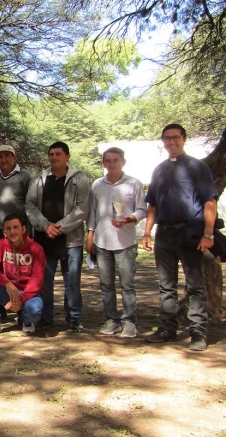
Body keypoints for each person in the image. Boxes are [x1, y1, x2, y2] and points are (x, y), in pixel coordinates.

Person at [142, 124, 218, 352]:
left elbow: (209, 202)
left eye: (175, 138)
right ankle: (167, 329)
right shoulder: (159, 169)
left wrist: (208, 233)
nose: (171, 142)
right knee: (166, 286)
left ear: (184, 139)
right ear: (163, 141)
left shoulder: (198, 166)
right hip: (164, 234)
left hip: (190, 233)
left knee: (195, 285)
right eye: (166, 138)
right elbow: (152, 204)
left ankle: (198, 332)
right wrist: (147, 232)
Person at [25, 141, 90, 331]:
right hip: (44, 240)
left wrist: (59, 228)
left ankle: (74, 319)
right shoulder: (39, 179)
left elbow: (82, 208)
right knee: (44, 281)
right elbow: (30, 206)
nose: (54, 157)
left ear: (68, 156)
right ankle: (46, 318)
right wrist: (46, 226)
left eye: (58, 154)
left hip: (71, 240)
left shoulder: (79, 179)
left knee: (72, 283)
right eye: (51, 154)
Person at [86, 147, 146, 338]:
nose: (111, 164)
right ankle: (111, 319)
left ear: (123, 162)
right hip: (102, 241)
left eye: (115, 160)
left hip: (125, 242)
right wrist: (90, 236)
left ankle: (129, 321)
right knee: (106, 285)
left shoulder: (134, 184)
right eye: (108, 161)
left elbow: (142, 210)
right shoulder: (97, 185)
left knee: (127, 285)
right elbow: (93, 213)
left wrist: (127, 220)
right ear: (103, 163)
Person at [0, 215, 45, 337]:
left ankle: (26, 321)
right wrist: (7, 283)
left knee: (34, 309)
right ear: (4, 232)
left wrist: (21, 300)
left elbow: (37, 279)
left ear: (23, 229)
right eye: (8, 228)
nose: (12, 231)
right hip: (8, 291)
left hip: (29, 293)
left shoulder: (36, 249)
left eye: (16, 227)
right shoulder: (0, 244)